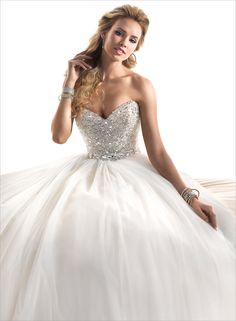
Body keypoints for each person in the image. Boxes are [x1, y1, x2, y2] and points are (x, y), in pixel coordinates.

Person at [1, 4, 235, 321]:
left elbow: (158, 151)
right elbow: (59, 136)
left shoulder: (140, 85)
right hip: (84, 175)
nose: (123, 42)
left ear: (137, 47)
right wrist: (69, 83)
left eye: (133, 39)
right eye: (119, 33)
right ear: (105, 33)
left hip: (134, 173)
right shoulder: (81, 80)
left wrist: (188, 196)